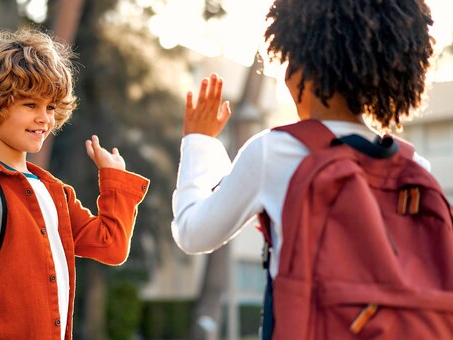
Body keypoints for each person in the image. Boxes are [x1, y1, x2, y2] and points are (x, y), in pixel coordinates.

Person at [172, 0, 434, 329]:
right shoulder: (414, 166)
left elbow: (193, 233)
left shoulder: (276, 151)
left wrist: (200, 141)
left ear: (303, 63)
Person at [0, 27, 149, 339]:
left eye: (51, 107)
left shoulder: (54, 191)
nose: (44, 118)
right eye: (30, 105)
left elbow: (111, 246)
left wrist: (114, 181)